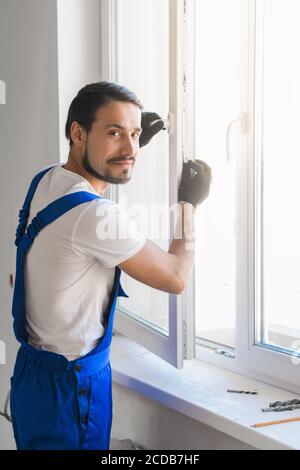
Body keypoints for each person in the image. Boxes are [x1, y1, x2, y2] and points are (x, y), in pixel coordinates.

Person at [10, 81, 212, 450]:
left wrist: (120, 143)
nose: (131, 148)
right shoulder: (94, 215)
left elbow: (92, 190)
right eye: (115, 133)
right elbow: (175, 276)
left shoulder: (46, 181)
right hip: (73, 390)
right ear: (78, 133)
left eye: (135, 135)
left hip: (32, 377)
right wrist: (189, 206)